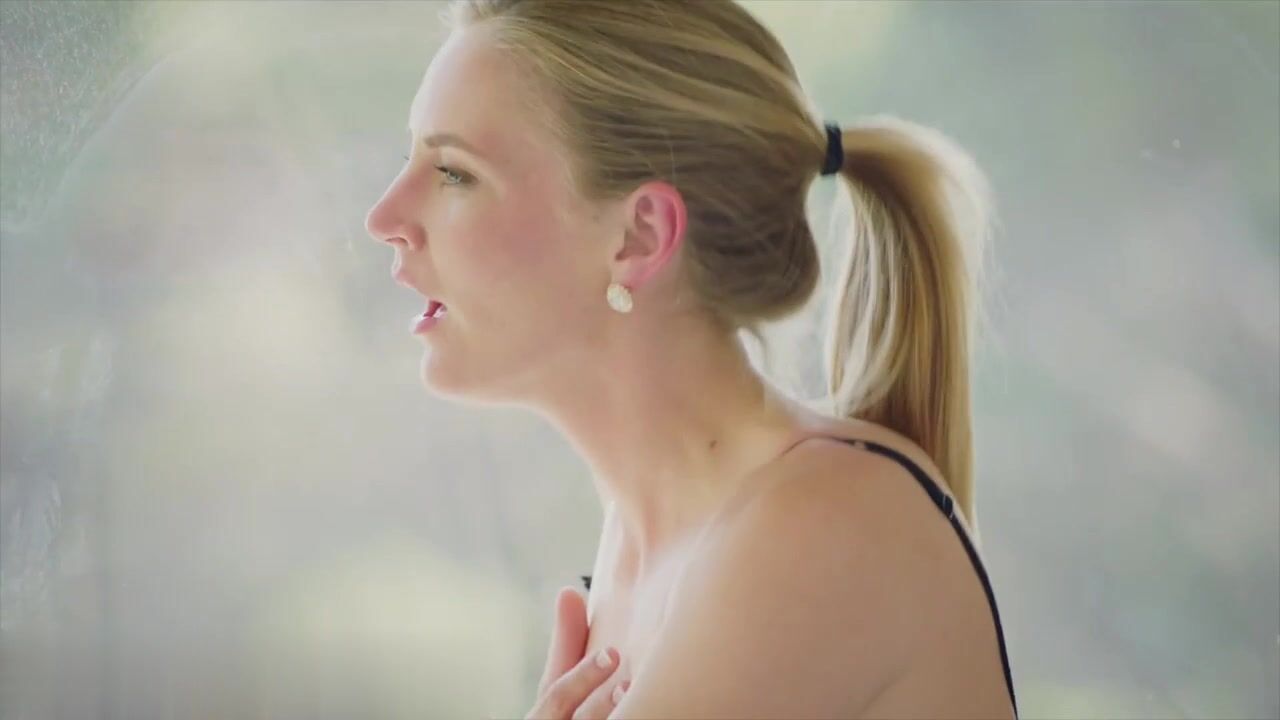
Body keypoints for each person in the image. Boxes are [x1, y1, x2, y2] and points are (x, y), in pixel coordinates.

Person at [364, 1, 1016, 718]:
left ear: (640, 236)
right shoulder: (650, 539)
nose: (384, 217)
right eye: (411, 159)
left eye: (454, 172)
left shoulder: (815, 528)